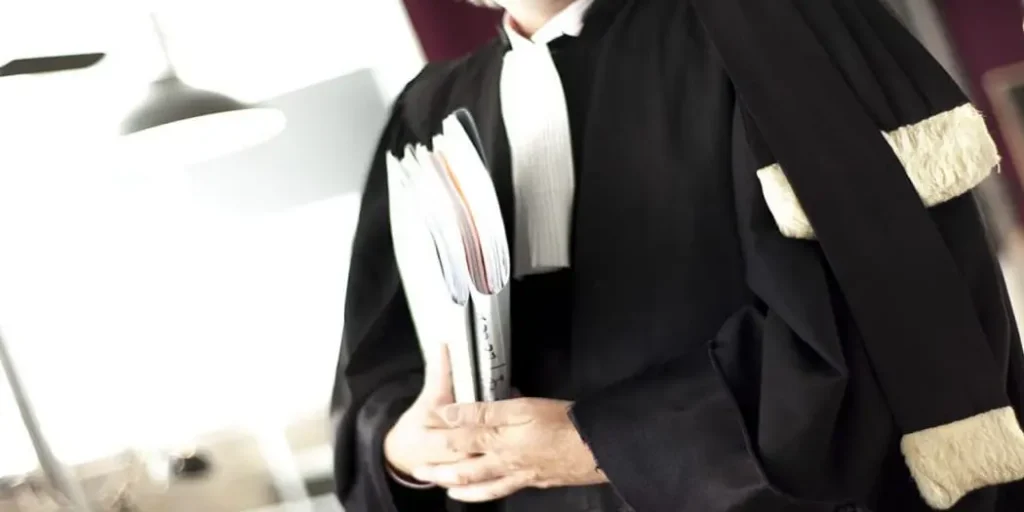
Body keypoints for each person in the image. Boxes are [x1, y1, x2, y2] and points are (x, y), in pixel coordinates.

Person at [331, 0, 1024, 510]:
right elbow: (374, 378)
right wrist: (406, 449)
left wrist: (603, 442)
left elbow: (893, 322)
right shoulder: (427, 111)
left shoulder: (773, 25)